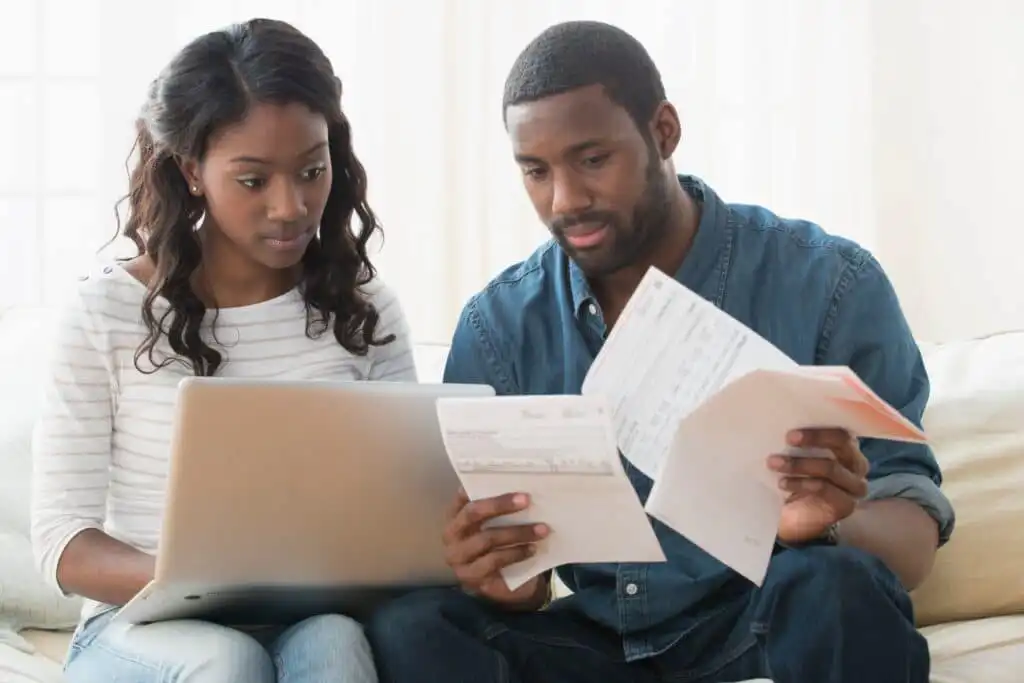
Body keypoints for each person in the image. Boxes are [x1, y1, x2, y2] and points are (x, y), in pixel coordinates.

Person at [366, 20, 955, 683]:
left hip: (758, 620)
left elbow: (912, 540)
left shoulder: (829, 284)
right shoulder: (498, 327)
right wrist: (508, 580)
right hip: (593, 645)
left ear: (664, 132)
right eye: (536, 171)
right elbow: (514, 571)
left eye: (593, 160)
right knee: (411, 626)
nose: (565, 200)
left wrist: (821, 527)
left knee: (834, 582)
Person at [30, 18, 415, 683]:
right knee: (227, 659)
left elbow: (404, 503)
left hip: (304, 612)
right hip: (139, 627)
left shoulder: (364, 306)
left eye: (311, 170)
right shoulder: (105, 312)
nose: (291, 206)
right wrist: (199, 582)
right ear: (192, 171)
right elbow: (63, 543)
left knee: (337, 642)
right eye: (253, 180)